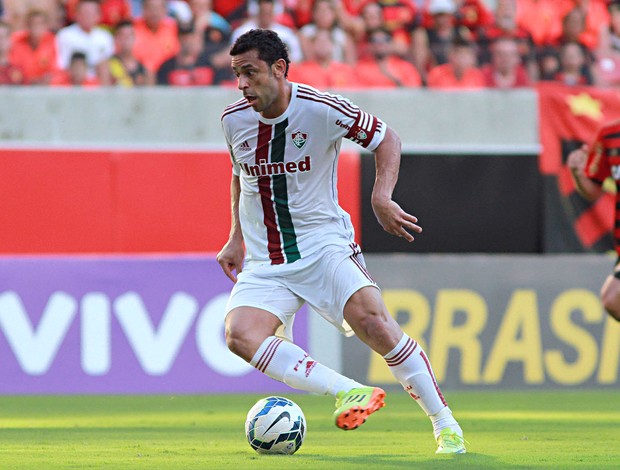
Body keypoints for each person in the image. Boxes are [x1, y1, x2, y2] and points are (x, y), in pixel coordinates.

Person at [218, 28, 466, 454]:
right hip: (265, 258)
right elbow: (241, 177)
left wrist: (380, 195)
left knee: (375, 323)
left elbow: (387, 138)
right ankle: (349, 390)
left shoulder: (320, 108)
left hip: (322, 245)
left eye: (250, 72)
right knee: (239, 334)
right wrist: (235, 237)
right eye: (236, 74)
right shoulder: (234, 119)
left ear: (279, 69)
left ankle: (445, 424)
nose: (242, 84)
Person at [567, 121, 620, 322]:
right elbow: (593, 189)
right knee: (613, 299)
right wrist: (579, 173)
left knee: (613, 296)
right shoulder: (609, 137)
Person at [55, 0, 114, 85]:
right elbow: (62, 65)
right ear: (76, 14)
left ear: (98, 16)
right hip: (72, 83)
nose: (88, 17)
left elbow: (109, 67)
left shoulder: (105, 37)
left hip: (97, 84)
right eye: (85, 13)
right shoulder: (65, 35)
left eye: (92, 13)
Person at [354, 27, 422, 87]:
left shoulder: (406, 68)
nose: (380, 43)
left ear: (392, 43)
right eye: (375, 40)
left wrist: (396, 80)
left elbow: (414, 93)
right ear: (370, 45)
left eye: (386, 39)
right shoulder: (360, 69)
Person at [9, 8, 59, 85]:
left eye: (40, 23)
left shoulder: (52, 41)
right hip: (21, 86)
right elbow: (14, 68)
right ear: (27, 26)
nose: (36, 27)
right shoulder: (17, 41)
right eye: (32, 23)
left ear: (46, 26)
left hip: (45, 87)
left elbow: (53, 70)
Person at [109, 19, 153, 86]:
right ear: (116, 39)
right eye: (123, 36)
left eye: (129, 36)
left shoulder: (144, 68)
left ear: (135, 38)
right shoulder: (109, 65)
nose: (126, 39)